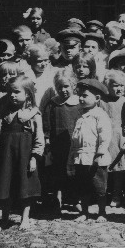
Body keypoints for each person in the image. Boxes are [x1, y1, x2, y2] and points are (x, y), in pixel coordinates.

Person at [0, 75, 44, 229]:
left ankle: (24, 218)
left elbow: (39, 138)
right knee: (5, 186)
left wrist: (34, 157)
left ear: (27, 94)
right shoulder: (4, 113)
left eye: (16, 92)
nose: (12, 95)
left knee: (25, 187)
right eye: (10, 92)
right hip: (6, 156)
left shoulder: (33, 114)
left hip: (24, 157)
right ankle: (4, 218)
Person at [68, 79, 113, 222]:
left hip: (95, 157)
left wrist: (100, 153)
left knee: (99, 186)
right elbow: (76, 137)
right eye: (79, 95)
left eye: (85, 95)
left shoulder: (99, 114)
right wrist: (73, 155)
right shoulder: (80, 115)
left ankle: (102, 212)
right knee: (83, 186)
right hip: (81, 156)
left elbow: (104, 135)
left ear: (97, 98)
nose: (81, 98)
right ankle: (84, 212)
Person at [42, 67, 82, 213]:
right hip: (57, 143)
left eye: (66, 86)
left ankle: (75, 200)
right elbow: (47, 123)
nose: (63, 90)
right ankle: (57, 199)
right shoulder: (53, 103)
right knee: (58, 172)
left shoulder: (79, 103)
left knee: (74, 172)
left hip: (74, 143)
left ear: (73, 85)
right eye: (60, 87)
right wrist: (47, 141)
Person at [102, 70, 125, 209]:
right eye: (115, 85)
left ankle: (117, 194)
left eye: (122, 86)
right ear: (107, 85)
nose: (119, 89)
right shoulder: (102, 101)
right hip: (105, 137)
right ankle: (103, 194)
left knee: (118, 169)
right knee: (104, 167)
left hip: (120, 138)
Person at [24, 43, 55, 111]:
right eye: (39, 61)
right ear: (30, 61)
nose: (44, 64)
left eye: (46, 60)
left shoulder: (52, 75)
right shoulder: (25, 76)